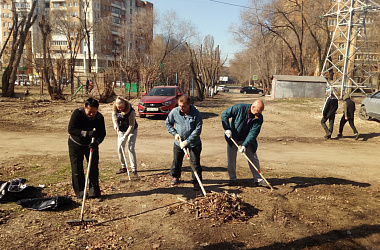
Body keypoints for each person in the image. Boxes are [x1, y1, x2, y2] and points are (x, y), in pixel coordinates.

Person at [68, 98, 106, 201]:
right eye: (89, 112)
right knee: (77, 169)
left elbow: (102, 134)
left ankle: (94, 192)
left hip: (91, 146)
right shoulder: (77, 113)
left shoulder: (99, 117)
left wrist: (96, 143)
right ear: (85, 107)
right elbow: (71, 129)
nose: (92, 114)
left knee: (93, 169)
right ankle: (81, 193)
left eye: (94, 112)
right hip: (75, 145)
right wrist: (86, 133)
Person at [221, 100, 266, 187]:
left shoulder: (259, 118)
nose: (259, 113)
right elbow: (224, 115)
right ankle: (232, 179)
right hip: (233, 138)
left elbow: (253, 133)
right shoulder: (239, 108)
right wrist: (227, 128)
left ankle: (258, 179)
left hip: (247, 140)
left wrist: (245, 145)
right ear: (253, 107)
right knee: (231, 159)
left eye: (261, 111)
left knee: (253, 158)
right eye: (258, 111)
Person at [165, 94, 203, 190]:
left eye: (183, 106)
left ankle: (196, 181)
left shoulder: (196, 113)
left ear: (189, 105)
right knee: (177, 160)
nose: (181, 108)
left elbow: (198, 130)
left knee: (195, 162)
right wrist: (175, 134)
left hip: (194, 143)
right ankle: (175, 176)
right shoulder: (175, 111)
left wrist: (187, 141)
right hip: (179, 142)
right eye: (179, 105)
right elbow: (168, 123)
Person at [112, 96, 138, 175]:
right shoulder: (115, 110)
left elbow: (131, 126)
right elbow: (114, 117)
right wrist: (115, 124)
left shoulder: (131, 111)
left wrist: (125, 136)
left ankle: (134, 169)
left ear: (124, 105)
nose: (120, 109)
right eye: (118, 107)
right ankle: (123, 167)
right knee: (120, 148)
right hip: (121, 130)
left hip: (132, 130)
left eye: (121, 107)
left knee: (130, 148)